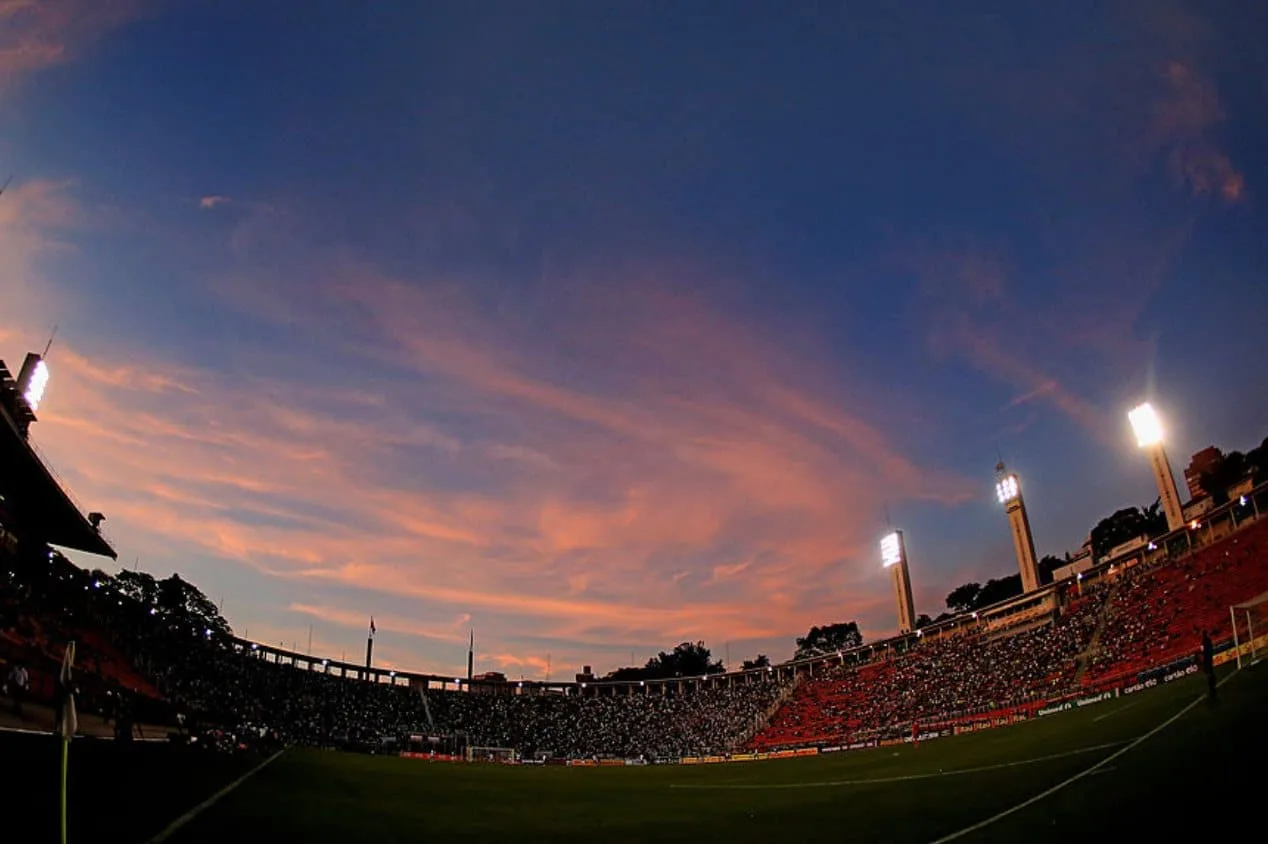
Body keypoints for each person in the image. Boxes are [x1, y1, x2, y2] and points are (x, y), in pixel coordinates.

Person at [1200, 630, 1216, 700]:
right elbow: (1211, 648)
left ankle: (1211, 687)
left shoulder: (1203, 641)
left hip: (1206, 658)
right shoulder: (1209, 640)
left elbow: (1202, 650)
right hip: (1209, 657)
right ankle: (1213, 685)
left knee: (1208, 672)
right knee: (1210, 671)